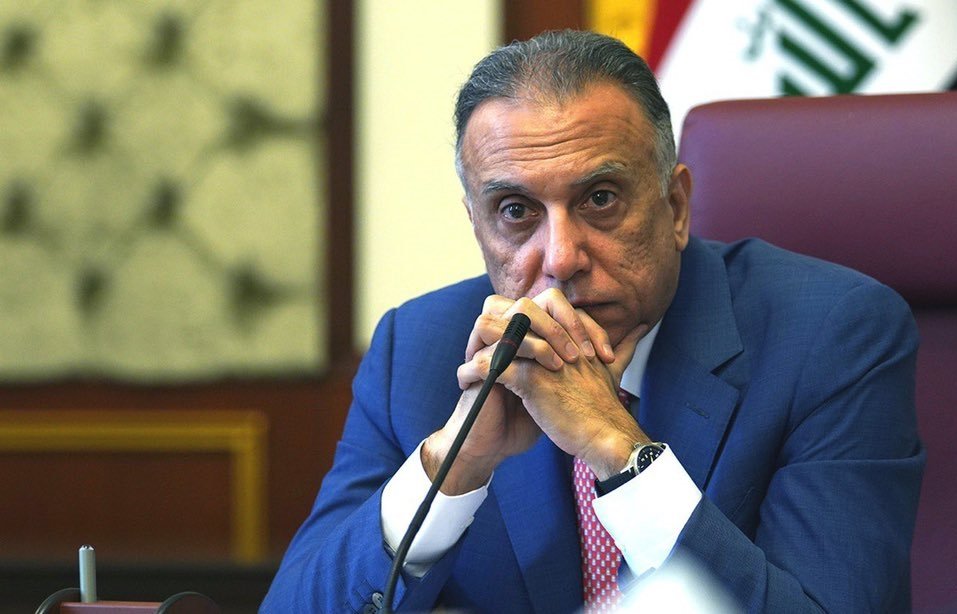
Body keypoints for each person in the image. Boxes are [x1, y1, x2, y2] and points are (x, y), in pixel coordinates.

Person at [262, 30, 923, 613]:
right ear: (477, 226)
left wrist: (618, 449)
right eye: (516, 211)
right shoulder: (416, 350)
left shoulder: (833, 335)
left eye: (600, 199)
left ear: (675, 207)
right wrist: (452, 466)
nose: (561, 258)